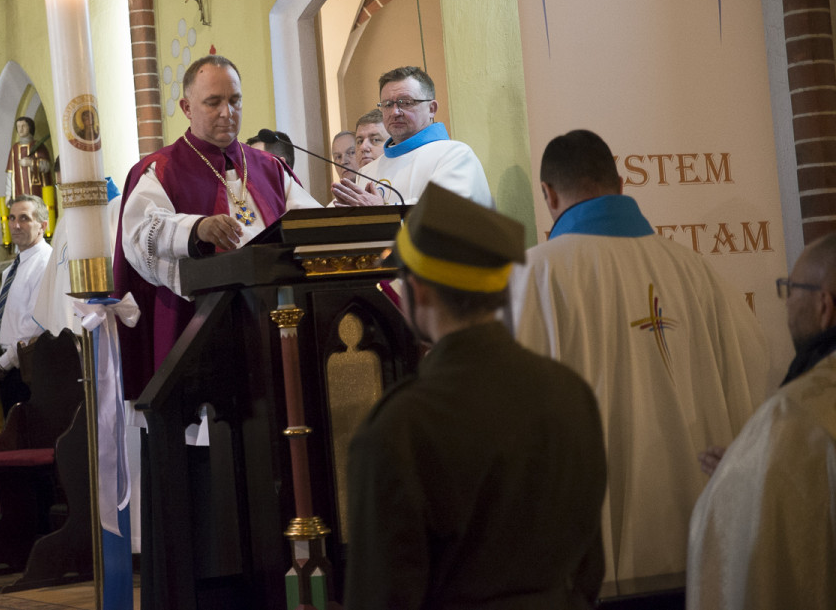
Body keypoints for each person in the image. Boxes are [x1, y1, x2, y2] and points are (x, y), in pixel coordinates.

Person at [510, 129, 769, 583]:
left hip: (590, 536)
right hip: (698, 529)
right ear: (621, 183)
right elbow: (754, 371)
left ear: (547, 194)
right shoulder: (696, 270)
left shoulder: (531, 276)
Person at [345, 182, 607, 610]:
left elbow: (383, 595)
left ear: (420, 291)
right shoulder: (570, 391)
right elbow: (589, 569)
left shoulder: (401, 425)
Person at [114, 54, 320, 395]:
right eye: (214, 102)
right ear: (186, 107)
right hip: (198, 327)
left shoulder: (269, 167)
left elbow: (306, 225)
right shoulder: (161, 169)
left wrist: (343, 212)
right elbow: (139, 235)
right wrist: (196, 230)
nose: (228, 112)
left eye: (235, 100)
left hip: (275, 320)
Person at [686, 233, 836, 609]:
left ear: (824, 305)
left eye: (790, 289)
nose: (786, 305)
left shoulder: (797, 413)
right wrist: (750, 474)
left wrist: (741, 486)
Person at [331, 66, 491, 207]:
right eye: (387, 104)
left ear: (431, 109)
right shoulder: (367, 172)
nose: (395, 112)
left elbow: (449, 212)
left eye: (406, 103)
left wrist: (383, 214)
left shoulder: (455, 155)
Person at [0, 195, 52, 416]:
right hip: (9, 370)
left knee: (31, 444)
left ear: (43, 226)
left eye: (24, 218)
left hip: (30, 371)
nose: (16, 225)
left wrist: (3, 363)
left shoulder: (45, 262)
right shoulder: (12, 269)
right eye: (12, 218)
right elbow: (6, 318)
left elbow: (35, 323)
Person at [5, 116, 50, 200]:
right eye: (18, 126)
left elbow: (46, 166)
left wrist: (31, 163)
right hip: (19, 192)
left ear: (30, 127)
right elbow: (10, 173)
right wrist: (8, 195)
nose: (20, 129)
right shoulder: (14, 148)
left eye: (23, 126)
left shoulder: (38, 146)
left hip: (37, 191)